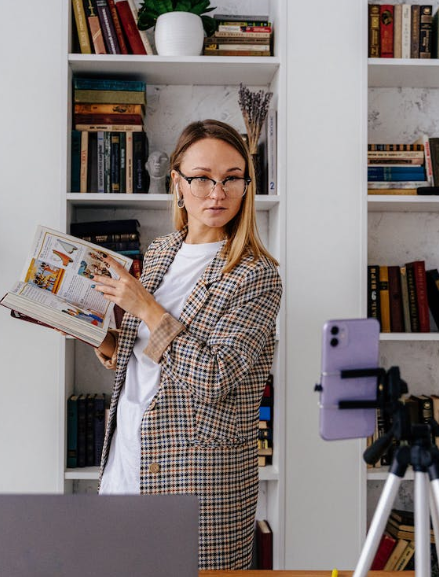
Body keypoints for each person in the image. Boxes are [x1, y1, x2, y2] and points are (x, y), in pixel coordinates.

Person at [92, 119, 282, 570]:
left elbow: (215, 376)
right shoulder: (160, 252)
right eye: (201, 178)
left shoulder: (257, 275)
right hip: (128, 454)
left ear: (246, 185)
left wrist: (145, 308)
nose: (216, 193)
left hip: (199, 479)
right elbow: (148, 360)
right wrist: (104, 342)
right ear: (177, 182)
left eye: (231, 178)